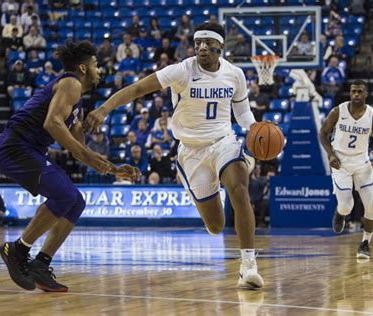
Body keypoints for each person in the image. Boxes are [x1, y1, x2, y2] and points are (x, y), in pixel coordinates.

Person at [85, 23, 264, 289]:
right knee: (216, 226)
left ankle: (248, 265)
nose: (202, 47)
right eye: (197, 42)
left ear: (220, 47)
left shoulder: (235, 75)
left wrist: (256, 130)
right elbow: (136, 90)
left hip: (223, 141)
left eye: (207, 42)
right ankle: (204, 191)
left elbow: (243, 114)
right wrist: (103, 110)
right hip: (191, 150)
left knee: (239, 188)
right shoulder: (181, 70)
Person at [0, 41, 140, 293]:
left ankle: (41, 263)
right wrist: (88, 155)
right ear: (83, 68)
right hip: (15, 146)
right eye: (95, 65)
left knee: (76, 201)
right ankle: (16, 250)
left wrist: (113, 168)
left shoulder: (77, 103)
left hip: (29, 150)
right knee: (65, 194)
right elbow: (52, 123)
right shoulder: (70, 82)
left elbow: (80, 150)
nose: (99, 70)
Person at [319, 80, 373, 259]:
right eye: (353, 91)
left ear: (366, 94)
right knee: (347, 206)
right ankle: (340, 214)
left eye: (360, 92)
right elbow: (322, 134)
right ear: (350, 93)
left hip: (362, 162)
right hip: (340, 163)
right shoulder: (337, 111)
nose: (356, 94)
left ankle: (365, 243)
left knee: (372, 204)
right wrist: (331, 155)